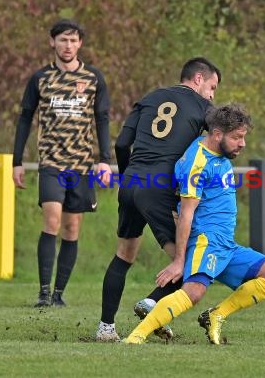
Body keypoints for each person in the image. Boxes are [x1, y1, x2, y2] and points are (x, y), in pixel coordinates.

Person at [122, 103, 265, 345]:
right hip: (206, 241)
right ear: (217, 135)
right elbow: (186, 213)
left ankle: (215, 316)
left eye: (243, 137)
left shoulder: (215, 151)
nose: (242, 144)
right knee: (194, 292)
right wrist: (179, 260)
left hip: (225, 245)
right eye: (237, 138)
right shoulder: (197, 164)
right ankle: (135, 338)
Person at [95, 57, 221, 341]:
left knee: (124, 255)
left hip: (131, 182)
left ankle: (105, 328)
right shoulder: (204, 108)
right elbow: (218, 140)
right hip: (159, 187)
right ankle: (152, 305)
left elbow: (121, 144)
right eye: (212, 87)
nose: (213, 95)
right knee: (190, 262)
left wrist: (128, 177)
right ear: (198, 79)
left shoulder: (150, 98)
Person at [12, 19, 112, 307]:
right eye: (62, 40)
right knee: (52, 220)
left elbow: (102, 119)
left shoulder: (94, 78)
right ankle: (43, 292)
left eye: (73, 40)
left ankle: (58, 295)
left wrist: (104, 160)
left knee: (71, 228)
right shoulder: (40, 78)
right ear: (52, 42)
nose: (68, 45)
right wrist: (17, 161)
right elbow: (24, 119)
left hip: (81, 165)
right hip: (51, 163)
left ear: (80, 43)